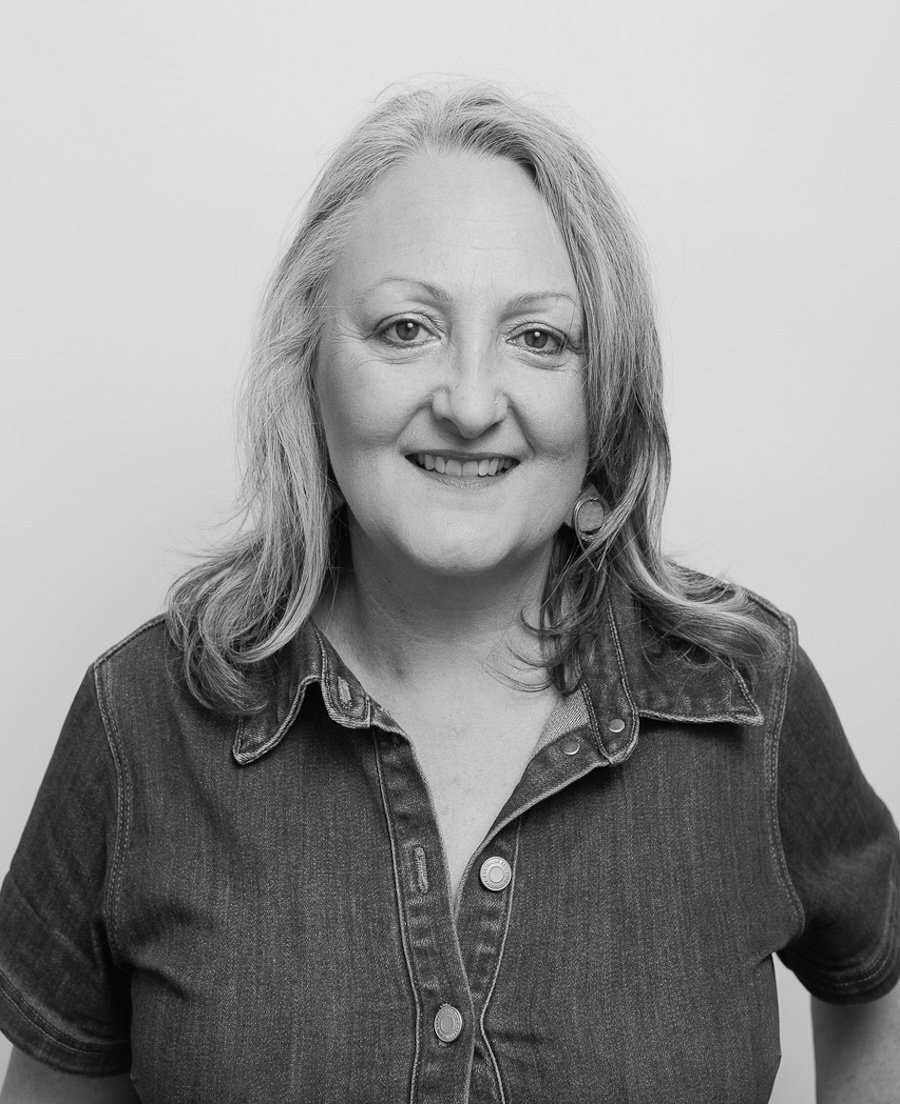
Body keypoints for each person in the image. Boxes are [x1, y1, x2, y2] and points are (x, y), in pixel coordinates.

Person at [1, 83, 898, 1104]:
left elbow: (877, 976)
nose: (470, 403)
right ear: (309, 369)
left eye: (540, 338)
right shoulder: (142, 720)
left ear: (605, 394)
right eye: (403, 328)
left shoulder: (750, 696)